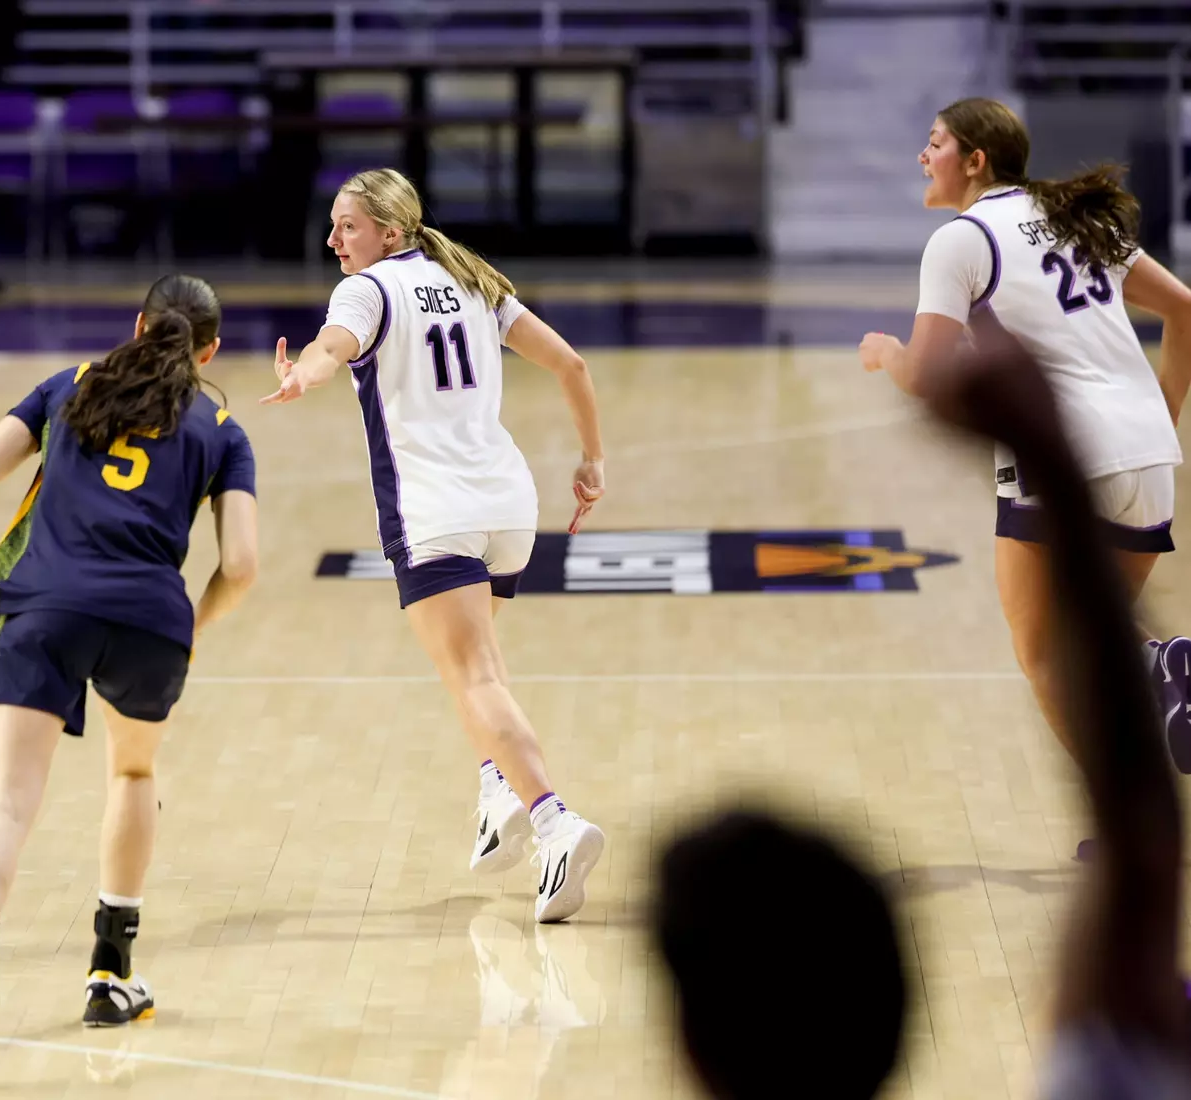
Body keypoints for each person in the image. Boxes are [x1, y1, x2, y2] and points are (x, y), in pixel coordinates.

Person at [656, 326, 1191, 1100]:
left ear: (691, 1056)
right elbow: (1142, 856)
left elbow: (1139, 851)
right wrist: (1048, 454)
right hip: (1134, 458)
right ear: (901, 1013)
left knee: (1036, 646)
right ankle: (1153, 657)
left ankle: (1152, 658)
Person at [0, 274, 257, 1087]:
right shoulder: (223, 425)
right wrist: (190, 630)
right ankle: (110, 973)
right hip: (151, 621)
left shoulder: (68, 385)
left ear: (137, 325)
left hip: (44, 610)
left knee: (4, 804)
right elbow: (241, 567)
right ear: (209, 352)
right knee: (133, 770)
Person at [262, 168, 606, 923]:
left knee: (473, 679)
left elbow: (332, 344)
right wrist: (591, 460)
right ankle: (496, 791)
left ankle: (555, 823)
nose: (332, 241)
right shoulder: (473, 280)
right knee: (480, 671)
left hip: (436, 511)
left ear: (388, 231)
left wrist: (303, 378)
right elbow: (571, 365)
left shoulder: (371, 289)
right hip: (510, 506)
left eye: (345, 226)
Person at [859, 97, 1191, 789]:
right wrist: (1163, 411)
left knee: (1041, 649)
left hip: (1064, 458)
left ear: (975, 160)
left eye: (935, 142)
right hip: (1150, 459)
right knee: (1091, 632)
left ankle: (1129, 790)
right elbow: (1184, 308)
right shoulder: (1079, 216)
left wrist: (886, 352)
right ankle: (1161, 667)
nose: (923, 156)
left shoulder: (962, 238)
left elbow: (925, 375)